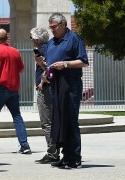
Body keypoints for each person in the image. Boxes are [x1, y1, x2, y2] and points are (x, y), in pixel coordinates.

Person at [43, 13, 89, 170]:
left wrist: (66, 64)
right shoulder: (51, 43)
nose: (52, 30)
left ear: (63, 24)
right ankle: (65, 155)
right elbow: (49, 63)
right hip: (56, 85)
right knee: (60, 121)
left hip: (70, 84)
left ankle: (75, 157)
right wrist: (43, 65)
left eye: (54, 27)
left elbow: (83, 61)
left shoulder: (74, 39)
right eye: (51, 27)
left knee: (70, 120)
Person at [0, 28, 31, 155]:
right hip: (14, 89)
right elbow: (21, 69)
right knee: (17, 116)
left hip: (0, 88)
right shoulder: (15, 51)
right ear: (7, 38)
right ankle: (24, 145)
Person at [30, 27, 59, 164]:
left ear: (36, 40)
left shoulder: (41, 50)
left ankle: (52, 152)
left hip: (45, 89)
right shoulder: (50, 47)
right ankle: (54, 150)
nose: (31, 41)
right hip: (51, 88)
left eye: (32, 38)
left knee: (46, 122)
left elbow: (49, 68)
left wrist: (43, 78)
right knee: (51, 120)